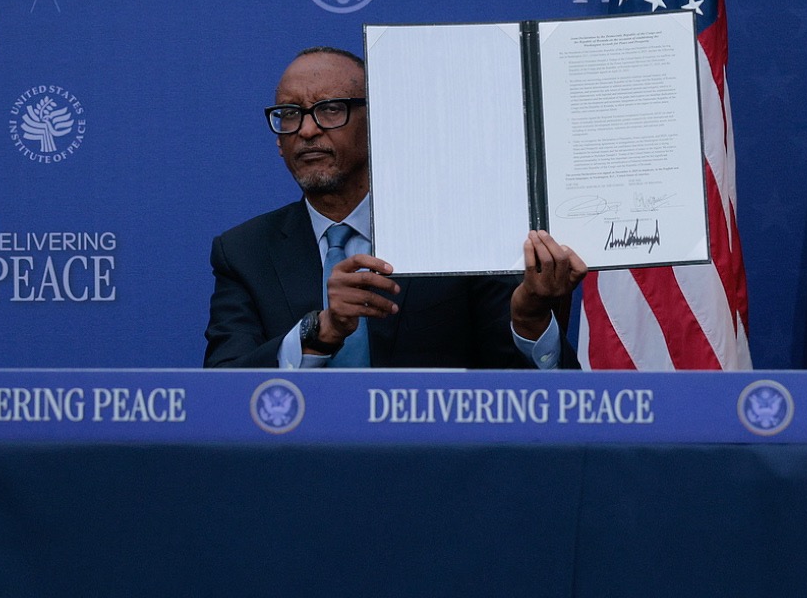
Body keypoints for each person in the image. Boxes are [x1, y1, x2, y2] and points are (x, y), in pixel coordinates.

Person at [205, 46, 584, 369]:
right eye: (290, 113)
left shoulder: (459, 232)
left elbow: (522, 397)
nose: (306, 130)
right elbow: (221, 390)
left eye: (330, 109)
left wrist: (531, 319)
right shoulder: (243, 252)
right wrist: (319, 331)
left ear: (378, 122)